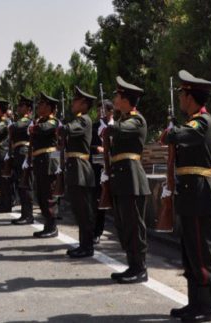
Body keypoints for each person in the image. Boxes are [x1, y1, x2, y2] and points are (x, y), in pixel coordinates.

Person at [162, 70, 211, 322]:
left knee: (202, 252)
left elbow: (175, 136)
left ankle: (207, 307)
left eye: (183, 95)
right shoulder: (193, 122)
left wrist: (170, 131)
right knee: (190, 253)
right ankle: (194, 303)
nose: (181, 100)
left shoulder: (202, 122)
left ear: (190, 96)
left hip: (198, 195)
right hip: (189, 195)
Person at [104, 76, 151, 284]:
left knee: (134, 225)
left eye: (118, 95)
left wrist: (109, 124)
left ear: (126, 99)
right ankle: (132, 265)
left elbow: (120, 129)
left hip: (132, 179)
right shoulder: (123, 119)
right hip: (121, 178)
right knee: (124, 225)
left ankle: (140, 268)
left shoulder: (136, 120)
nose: (114, 98)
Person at [62, 87, 97, 258]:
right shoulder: (79, 119)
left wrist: (61, 126)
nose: (72, 103)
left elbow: (69, 128)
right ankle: (83, 244)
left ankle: (87, 246)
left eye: (75, 100)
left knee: (84, 211)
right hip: (74, 168)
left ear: (84, 103)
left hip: (81, 170)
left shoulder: (83, 120)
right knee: (78, 210)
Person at [29, 92, 61, 238]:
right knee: (41, 194)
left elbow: (44, 129)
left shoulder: (53, 121)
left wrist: (34, 128)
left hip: (49, 161)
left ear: (49, 107)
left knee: (49, 194)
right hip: (40, 160)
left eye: (41, 104)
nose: (38, 107)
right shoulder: (40, 121)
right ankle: (47, 224)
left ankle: (52, 227)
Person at [91, 100, 114, 244]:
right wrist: (96, 148)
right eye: (99, 111)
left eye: (103, 110)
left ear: (111, 111)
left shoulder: (118, 126)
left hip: (115, 168)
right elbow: (88, 145)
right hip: (98, 168)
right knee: (98, 201)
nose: (100, 113)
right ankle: (97, 231)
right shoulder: (94, 127)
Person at [11, 95, 35, 225]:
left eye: (21, 106)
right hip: (18, 154)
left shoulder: (28, 121)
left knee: (26, 185)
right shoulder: (20, 121)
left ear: (28, 108)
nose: (18, 108)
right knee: (21, 185)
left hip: (25, 155)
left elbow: (15, 127)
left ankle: (29, 215)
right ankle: (24, 213)